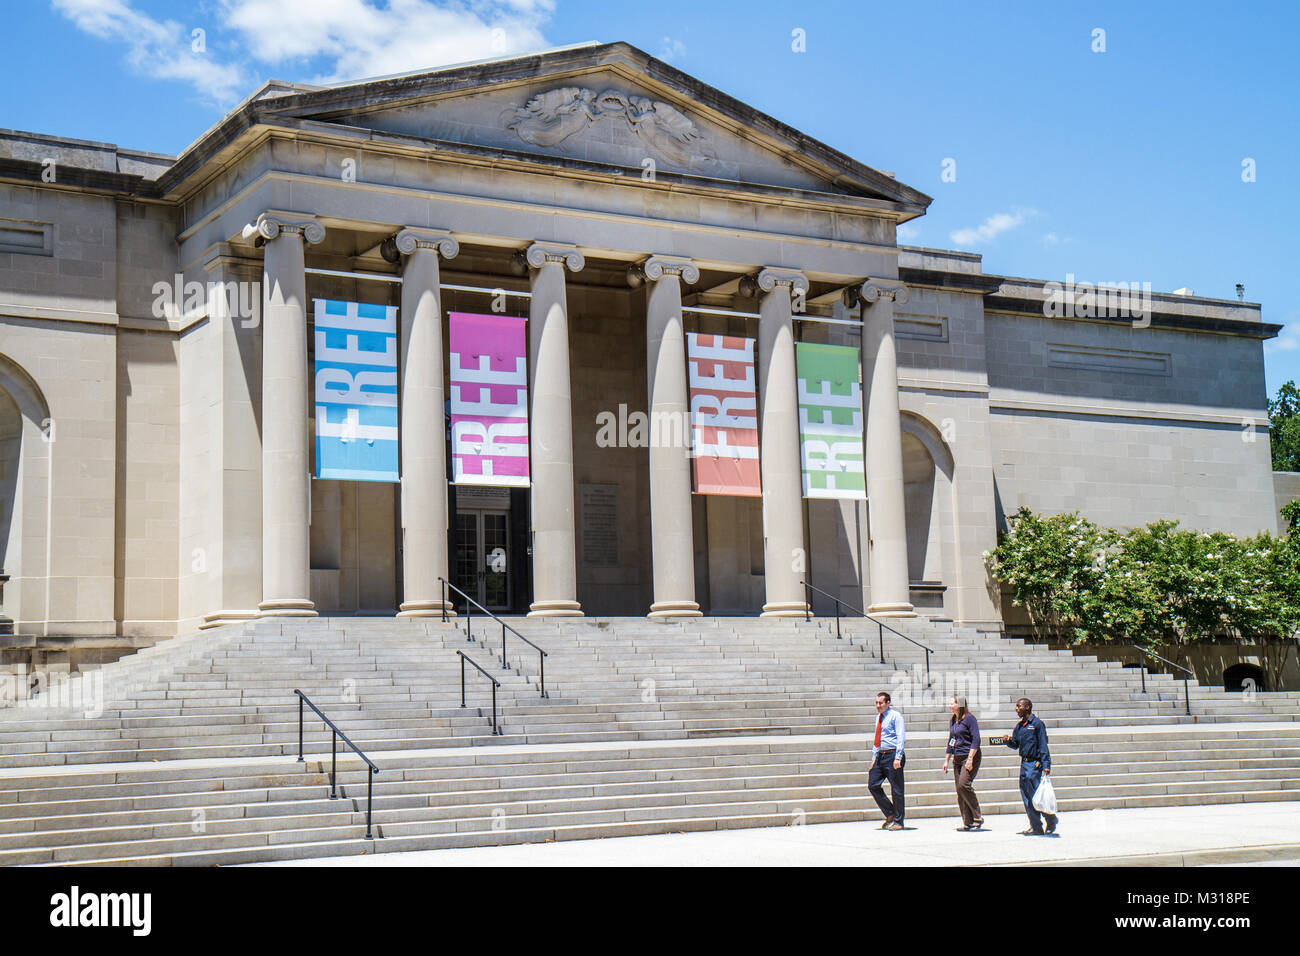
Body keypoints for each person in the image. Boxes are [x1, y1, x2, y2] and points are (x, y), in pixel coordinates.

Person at [1001, 697, 1058, 835]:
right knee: (1027, 796)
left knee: (1037, 796)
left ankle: (1051, 820)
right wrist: (1008, 741)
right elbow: (1016, 744)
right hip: (1024, 764)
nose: (1016, 709)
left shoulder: (1037, 724)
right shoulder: (1020, 726)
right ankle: (1036, 826)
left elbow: (1043, 745)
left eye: (1018, 706)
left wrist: (1046, 765)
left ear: (1027, 707)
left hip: (1035, 763)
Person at [942, 695, 984, 831]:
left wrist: (971, 758)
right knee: (959, 790)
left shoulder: (970, 719)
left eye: (952, 703)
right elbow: (951, 740)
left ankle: (978, 816)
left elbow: (976, 739)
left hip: (969, 756)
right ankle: (968, 822)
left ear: (959, 705)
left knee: (963, 784)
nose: (950, 706)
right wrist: (946, 760)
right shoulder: (953, 720)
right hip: (957, 758)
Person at [868, 691, 906, 830]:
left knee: (897, 789)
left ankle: (898, 821)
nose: (878, 706)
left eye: (881, 703)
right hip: (880, 756)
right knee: (873, 785)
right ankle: (890, 812)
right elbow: (877, 739)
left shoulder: (895, 716)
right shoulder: (878, 717)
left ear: (888, 703)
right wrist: (874, 758)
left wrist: (898, 757)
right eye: (876, 703)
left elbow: (900, 737)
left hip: (893, 755)